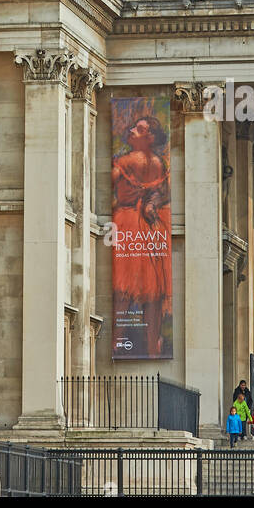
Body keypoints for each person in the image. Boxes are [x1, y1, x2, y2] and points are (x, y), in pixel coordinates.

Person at [111, 115, 172, 358]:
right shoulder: (159, 164)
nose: (131, 130)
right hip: (151, 228)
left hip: (127, 223)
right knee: (152, 292)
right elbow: (163, 193)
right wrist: (151, 203)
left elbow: (111, 186)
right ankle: (152, 345)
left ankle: (116, 339)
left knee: (123, 288)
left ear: (151, 138)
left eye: (139, 129)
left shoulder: (126, 160)